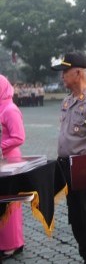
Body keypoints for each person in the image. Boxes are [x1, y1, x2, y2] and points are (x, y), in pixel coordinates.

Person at [51, 52, 86, 264]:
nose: (62, 76)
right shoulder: (67, 102)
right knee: (77, 223)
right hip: (69, 174)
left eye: (65, 72)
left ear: (78, 73)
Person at [0, 74, 26, 260]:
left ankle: (13, 244)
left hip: (9, 160)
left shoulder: (10, 109)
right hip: (2, 160)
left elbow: (19, 136)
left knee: (10, 202)